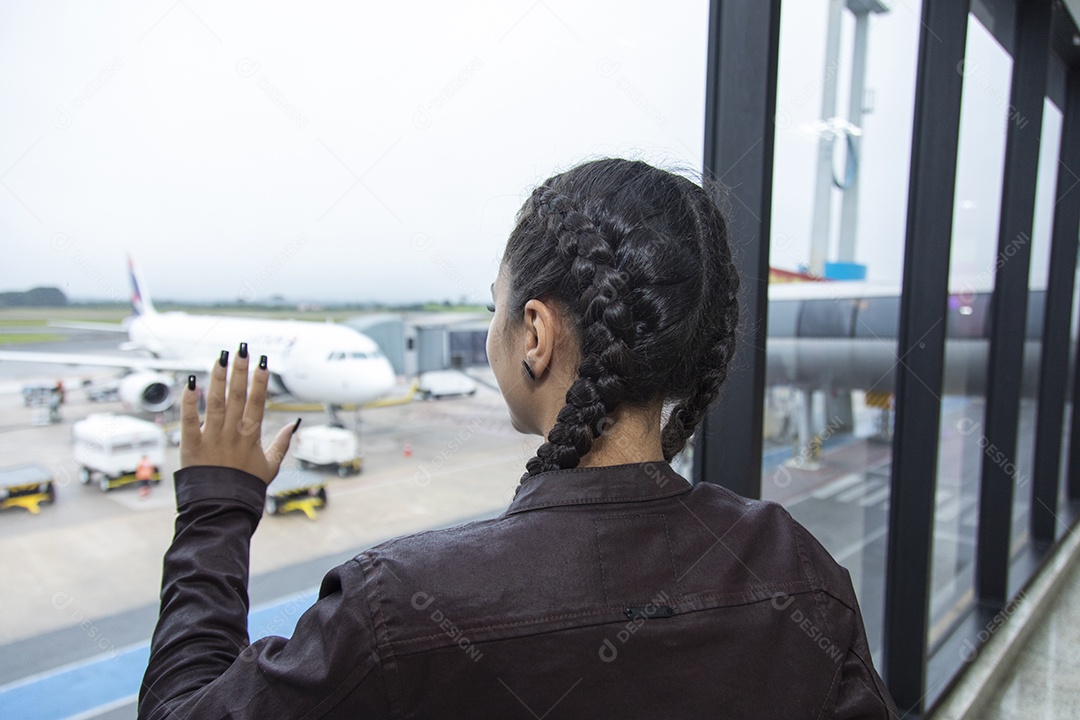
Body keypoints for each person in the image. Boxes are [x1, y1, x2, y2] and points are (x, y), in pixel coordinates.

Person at [139, 159, 898, 718]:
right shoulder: (801, 569)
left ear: (534, 332)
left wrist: (217, 505)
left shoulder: (396, 606)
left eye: (498, 304)